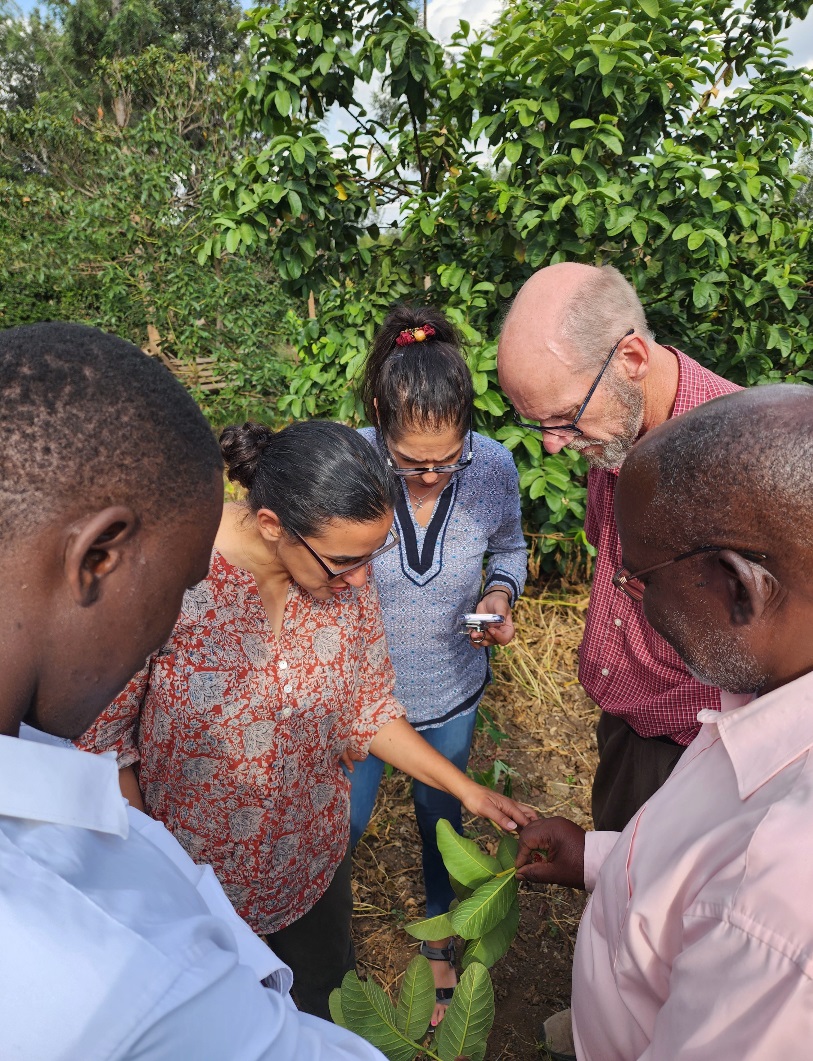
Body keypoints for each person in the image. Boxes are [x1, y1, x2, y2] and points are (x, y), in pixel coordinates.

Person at [0, 321, 388, 1059]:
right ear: (99, 557)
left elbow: (365, 703)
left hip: (301, 866)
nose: (177, 618)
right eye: (180, 586)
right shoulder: (130, 976)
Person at [80, 417, 536, 1022]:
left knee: (321, 1002)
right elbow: (107, 750)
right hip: (193, 883)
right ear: (272, 526)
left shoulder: (344, 575)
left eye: (375, 556)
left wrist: (467, 790)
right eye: (345, 562)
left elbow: (367, 707)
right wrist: (161, 879)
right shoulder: (166, 579)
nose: (362, 579)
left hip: (309, 864)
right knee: (217, 1022)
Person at [515, 384, 813, 1060]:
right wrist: (594, 857)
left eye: (640, 578)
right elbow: (696, 865)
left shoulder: (778, 899)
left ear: (738, 586)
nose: (631, 599)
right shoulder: (760, 690)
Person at [498, 262, 750, 832]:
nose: (555, 447)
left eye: (563, 419)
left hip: (699, 747)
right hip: (630, 721)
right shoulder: (615, 430)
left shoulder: (736, 464)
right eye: (538, 424)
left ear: (632, 359)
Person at [348, 305, 528, 1022]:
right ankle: (320, 942)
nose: (427, 476)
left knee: (439, 822)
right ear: (377, 420)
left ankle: (438, 930)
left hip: (451, 688)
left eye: (444, 460)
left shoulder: (492, 467)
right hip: (362, 700)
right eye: (410, 461)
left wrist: (496, 592)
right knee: (341, 827)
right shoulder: (350, 460)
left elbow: (510, 548)